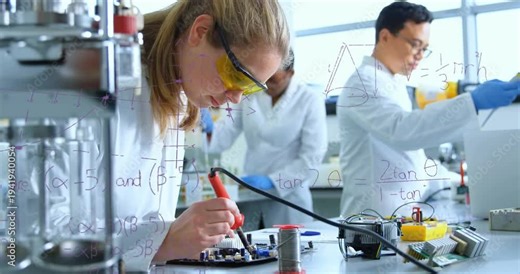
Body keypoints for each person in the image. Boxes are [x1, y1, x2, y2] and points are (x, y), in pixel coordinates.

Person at [41, 0, 290, 271]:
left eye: (250, 88)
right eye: (238, 76)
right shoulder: (90, 81)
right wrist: (162, 242)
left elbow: (143, 225)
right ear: (200, 31)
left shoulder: (178, 94)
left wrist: (178, 239)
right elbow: (33, 232)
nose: (236, 98)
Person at [337, 2, 520, 218]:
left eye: (424, 48)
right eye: (415, 44)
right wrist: (472, 102)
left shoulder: (392, 82)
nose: (420, 55)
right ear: (385, 37)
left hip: (398, 213)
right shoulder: (362, 83)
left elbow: (410, 157)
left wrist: (457, 180)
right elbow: (403, 131)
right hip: (372, 215)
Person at [207, 49, 328, 228]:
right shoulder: (250, 95)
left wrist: (273, 180)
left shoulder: (309, 100)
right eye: (263, 79)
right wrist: (207, 130)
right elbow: (224, 136)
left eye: (273, 80)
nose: (266, 86)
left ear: (290, 74)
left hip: (289, 199)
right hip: (252, 195)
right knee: (252, 251)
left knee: (291, 251)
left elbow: (312, 157)